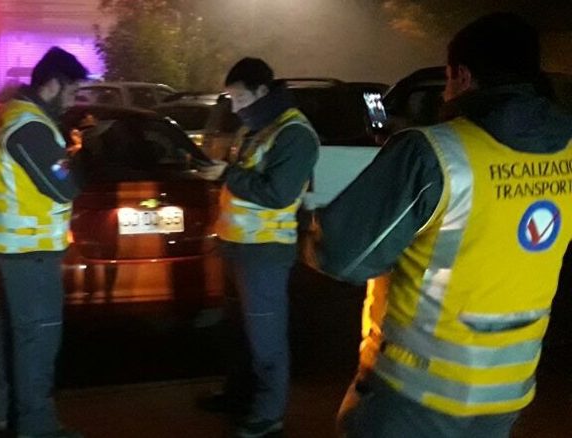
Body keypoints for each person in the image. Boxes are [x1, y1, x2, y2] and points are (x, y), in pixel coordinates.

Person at [309, 13, 572, 437]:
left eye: (448, 80)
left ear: (462, 76)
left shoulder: (433, 152)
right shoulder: (567, 150)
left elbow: (341, 255)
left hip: (413, 392)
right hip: (508, 391)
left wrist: (310, 226)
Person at [196, 58, 320, 438]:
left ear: (262, 92)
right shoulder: (257, 128)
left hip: (265, 250)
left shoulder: (294, 134)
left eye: (239, 98)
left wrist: (227, 174)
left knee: (266, 336)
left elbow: (278, 193)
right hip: (238, 246)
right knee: (239, 331)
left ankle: (269, 413)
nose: (234, 108)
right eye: (230, 99)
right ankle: (238, 395)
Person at [0, 47, 88, 438]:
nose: (74, 101)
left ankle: (6, 417)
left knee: (17, 337)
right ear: (52, 85)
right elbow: (64, 187)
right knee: (38, 341)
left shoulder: (20, 116)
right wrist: (78, 161)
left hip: (21, 250)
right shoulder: (29, 126)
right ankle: (37, 427)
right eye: (72, 91)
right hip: (32, 253)